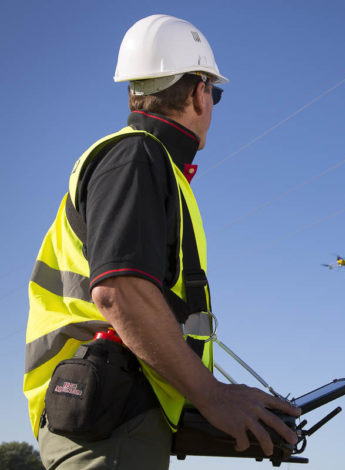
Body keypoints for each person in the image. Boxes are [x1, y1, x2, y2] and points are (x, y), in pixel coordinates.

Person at [23, 14, 300, 469]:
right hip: (107, 419)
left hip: (112, 413)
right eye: (216, 93)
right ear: (198, 92)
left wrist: (208, 405)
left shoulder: (143, 162)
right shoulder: (136, 157)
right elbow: (120, 291)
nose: (212, 104)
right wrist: (212, 396)